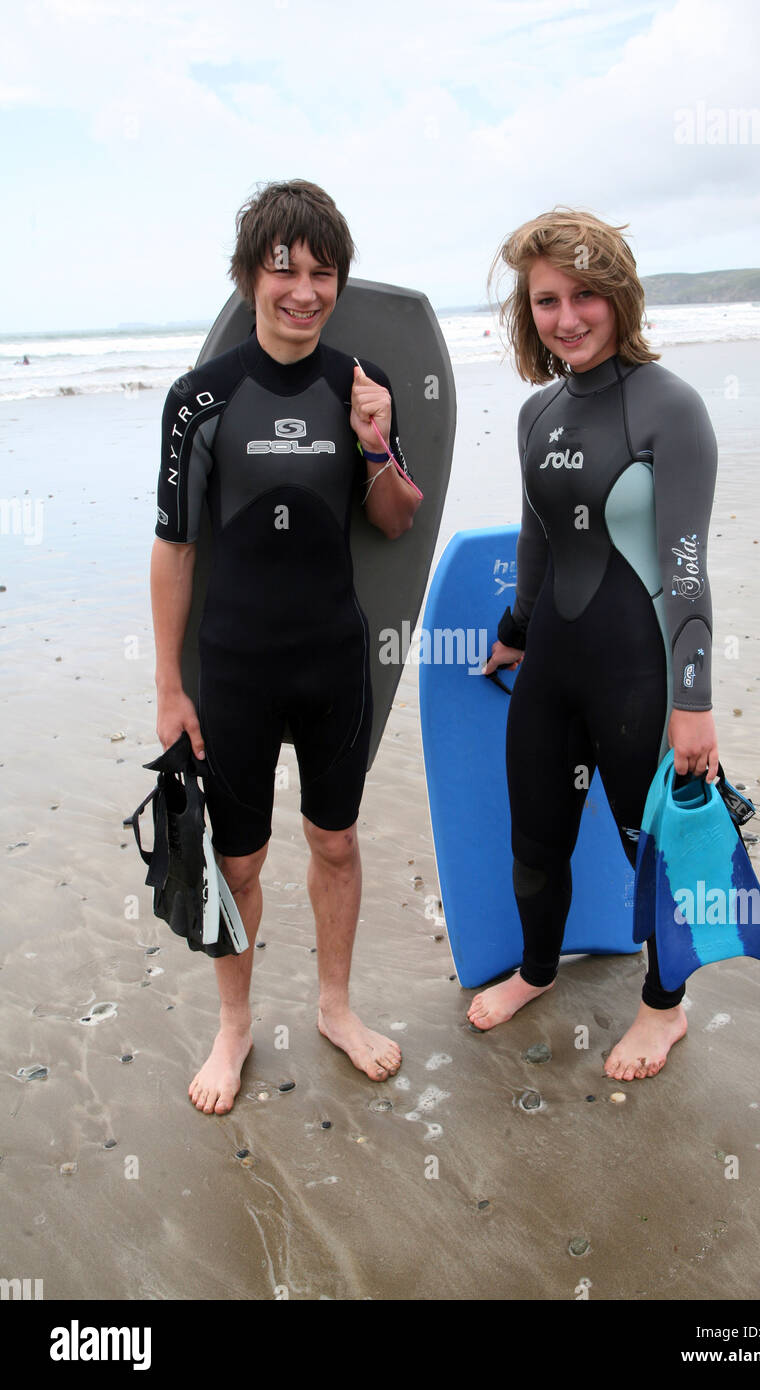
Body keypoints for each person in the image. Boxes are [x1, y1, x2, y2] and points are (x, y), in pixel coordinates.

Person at [150, 180, 421, 1114]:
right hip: (235, 667)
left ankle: (336, 1008)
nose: (303, 290)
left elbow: (394, 520)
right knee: (237, 862)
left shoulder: (361, 385)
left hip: (332, 658)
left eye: (321, 272)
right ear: (249, 277)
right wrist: (168, 687)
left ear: (338, 281)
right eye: (284, 270)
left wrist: (377, 441)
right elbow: (175, 547)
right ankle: (234, 1026)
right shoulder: (199, 399)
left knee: (335, 841)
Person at [471, 208, 718, 1081]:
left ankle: (665, 1007)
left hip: (638, 675)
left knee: (655, 852)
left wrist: (694, 704)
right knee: (534, 842)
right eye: (547, 300)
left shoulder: (670, 407)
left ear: (618, 296)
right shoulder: (537, 413)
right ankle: (538, 970)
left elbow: (685, 569)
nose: (567, 317)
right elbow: (537, 540)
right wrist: (513, 633)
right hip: (552, 669)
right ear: (526, 310)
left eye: (585, 296)